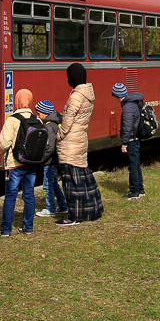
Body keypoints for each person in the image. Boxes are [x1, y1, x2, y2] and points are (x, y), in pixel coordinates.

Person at [55, 63, 103, 226]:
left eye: (69, 75)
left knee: (71, 182)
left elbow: (67, 121)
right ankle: (91, 209)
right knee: (83, 179)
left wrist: (59, 135)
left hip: (70, 143)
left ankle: (74, 215)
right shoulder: (87, 93)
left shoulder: (76, 96)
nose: (67, 78)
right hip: (80, 140)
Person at [0, 88, 39, 236]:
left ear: (17, 101)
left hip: (14, 164)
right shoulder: (36, 119)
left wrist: (3, 154)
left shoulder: (12, 119)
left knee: (10, 196)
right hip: (31, 164)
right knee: (29, 195)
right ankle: (28, 227)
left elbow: (3, 143)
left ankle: (6, 230)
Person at [34, 100, 67, 218]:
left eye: (39, 113)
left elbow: (49, 147)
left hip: (50, 161)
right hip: (55, 159)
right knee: (54, 184)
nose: (38, 116)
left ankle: (50, 209)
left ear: (45, 114)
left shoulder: (48, 127)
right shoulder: (55, 123)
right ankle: (63, 206)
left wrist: (41, 159)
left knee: (48, 185)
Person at [114, 83, 145, 199]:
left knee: (132, 165)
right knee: (136, 164)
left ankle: (134, 191)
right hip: (136, 138)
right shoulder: (134, 103)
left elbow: (127, 126)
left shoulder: (127, 107)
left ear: (118, 95)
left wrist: (124, 143)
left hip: (131, 139)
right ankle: (140, 189)